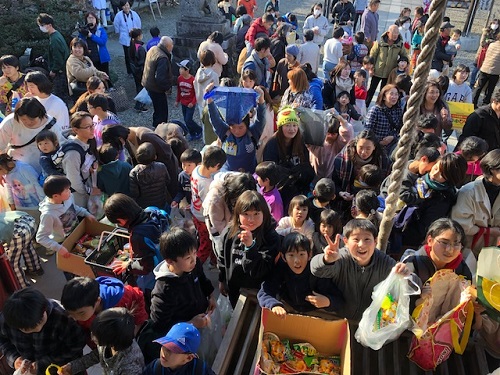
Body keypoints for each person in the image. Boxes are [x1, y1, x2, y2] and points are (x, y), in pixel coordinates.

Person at [310, 219, 413, 320]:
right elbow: (316, 269)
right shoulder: (340, 257)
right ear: (346, 241)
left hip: (371, 324)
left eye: (367, 239)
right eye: (356, 239)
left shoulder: (384, 262)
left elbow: (412, 284)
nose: (361, 245)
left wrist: (406, 274)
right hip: (341, 318)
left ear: (375, 241)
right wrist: (326, 259)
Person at [0, 287, 85, 375]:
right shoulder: (6, 321)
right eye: (28, 329)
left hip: (62, 369)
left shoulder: (63, 318)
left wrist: (42, 364)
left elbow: (76, 345)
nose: (38, 328)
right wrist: (14, 359)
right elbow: (3, 341)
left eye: (40, 321)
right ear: (16, 326)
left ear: (44, 308)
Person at [150, 228, 215, 339]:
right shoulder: (164, 290)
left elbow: (202, 279)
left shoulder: (193, 265)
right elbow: (159, 325)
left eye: (194, 253)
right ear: (170, 261)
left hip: (203, 318)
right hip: (184, 335)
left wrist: (211, 296)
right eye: (188, 258)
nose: (194, 260)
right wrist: (191, 324)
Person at [220, 190, 281, 307]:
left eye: (256, 214)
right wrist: (222, 279)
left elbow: (259, 271)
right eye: (246, 214)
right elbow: (223, 256)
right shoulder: (230, 231)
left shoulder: (271, 237)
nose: (251, 219)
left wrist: (250, 247)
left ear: (265, 213)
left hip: (258, 295)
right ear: (238, 215)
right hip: (234, 289)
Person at [258, 232, 343, 315]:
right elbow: (265, 292)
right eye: (291, 255)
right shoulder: (281, 269)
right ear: (283, 257)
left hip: (315, 314)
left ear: (309, 255)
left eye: (301, 254)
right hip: (287, 310)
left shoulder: (316, 271)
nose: (297, 261)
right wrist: (274, 305)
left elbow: (339, 300)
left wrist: (327, 301)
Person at [400, 153, 467, 249]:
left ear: (450, 178)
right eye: (436, 168)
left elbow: (424, 228)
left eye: (442, 175)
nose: (434, 174)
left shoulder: (442, 199)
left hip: (407, 240)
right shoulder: (423, 175)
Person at [61, 276, 147, 348]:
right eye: (71, 313)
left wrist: (138, 325)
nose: (76, 318)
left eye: (81, 313)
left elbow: (138, 296)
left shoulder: (121, 297)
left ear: (97, 301)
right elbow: (86, 332)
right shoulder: (82, 311)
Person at [104, 193, 162, 297]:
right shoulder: (151, 211)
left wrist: (128, 266)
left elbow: (146, 267)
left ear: (121, 220)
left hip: (155, 277)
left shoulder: (138, 236)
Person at [101, 125, 179, 198]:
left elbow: (167, 154)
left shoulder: (145, 136)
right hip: (152, 177)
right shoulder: (128, 140)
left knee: (172, 197)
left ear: (120, 138)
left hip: (166, 172)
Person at [60, 307, 144, 375]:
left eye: (96, 336)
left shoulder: (130, 366)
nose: (92, 338)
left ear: (111, 341)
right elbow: (97, 355)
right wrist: (73, 367)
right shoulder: (108, 341)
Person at [263, 107, 315, 208]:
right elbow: (269, 170)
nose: (292, 129)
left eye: (294, 125)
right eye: (287, 125)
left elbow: (306, 165)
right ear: (281, 127)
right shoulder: (272, 144)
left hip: (298, 186)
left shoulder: (300, 142)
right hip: (280, 188)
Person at [451, 149, 500, 257]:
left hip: (493, 252)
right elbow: (461, 225)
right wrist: (489, 231)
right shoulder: (469, 192)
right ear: (492, 169)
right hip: (467, 250)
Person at [208, 85, 265, 173]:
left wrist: (261, 99)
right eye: (233, 127)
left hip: (249, 174)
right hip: (227, 174)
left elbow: (261, 119)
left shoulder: (253, 133)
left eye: (241, 127)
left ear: (247, 125)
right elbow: (214, 119)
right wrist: (209, 98)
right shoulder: (225, 132)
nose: (236, 131)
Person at [332, 130, 391, 214]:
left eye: (368, 148)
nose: (364, 152)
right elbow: (335, 183)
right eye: (361, 147)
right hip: (346, 204)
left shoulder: (383, 161)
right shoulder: (342, 160)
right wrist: (341, 193)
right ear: (356, 145)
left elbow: (387, 184)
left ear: (374, 147)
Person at [402, 218, 472, 287]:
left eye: (456, 244)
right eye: (444, 242)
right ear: (430, 241)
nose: (449, 250)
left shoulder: (460, 268)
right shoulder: (413, 264)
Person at [0, 97, 63, 173]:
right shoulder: (10, 122)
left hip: (43, 170)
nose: (28, 122)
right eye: (23, 119)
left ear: (40, 114)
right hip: (16, 170)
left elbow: (61, 149)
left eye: (32, 119)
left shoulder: (52, 126)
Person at [36, 175, 95, 256]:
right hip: (63, 241)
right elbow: (41, 237)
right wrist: (58, 248)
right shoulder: (48, 214)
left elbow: (74, 209)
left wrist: (86, 213)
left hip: (77, 232)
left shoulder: (69, 197)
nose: (70, 192)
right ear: (56, 196)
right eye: (66, 190)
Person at [190, 146, 226, 265]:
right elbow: (210, 205)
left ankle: (214, 261)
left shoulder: (196, 170)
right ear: (216, 166)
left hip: (195, 212)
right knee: (205, 246)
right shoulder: (207, 184)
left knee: (207, 240)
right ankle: (196, 267)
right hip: (203, 218)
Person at [60, 111, 100, 208]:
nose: (92, 129)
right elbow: (73, 180)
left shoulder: (89, 141)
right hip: (78, 194)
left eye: (93, 125)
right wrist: (89, 191)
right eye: (87, 127)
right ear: (75, 130)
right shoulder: (72, 154)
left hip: (87, 185)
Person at [142, 323, 215, 375]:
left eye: (172, 349)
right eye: (164, 345)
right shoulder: (155, 368)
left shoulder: (200, 370)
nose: (164, 352)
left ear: (188, 358)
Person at [366, 24, 408, 106]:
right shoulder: (380, 42)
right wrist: (371, 68)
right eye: (393, 34)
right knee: (371, 89)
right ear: (388, 33)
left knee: (384, 91)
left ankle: (379, 106)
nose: (395, 36)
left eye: (397, 34)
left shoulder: (399, 45)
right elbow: (372, 55)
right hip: (377, 70)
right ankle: (366, 105)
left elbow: (405, 56)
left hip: (389, 73)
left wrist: (406, 66)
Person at [0, 211, 43, 288]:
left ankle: (22, 286)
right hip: (28, 221)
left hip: (17, 234)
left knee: (13, 263)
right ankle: (36, 268)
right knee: (27, 246)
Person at [36, 13, 70, 101]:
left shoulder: (55, 39)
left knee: (59, 95)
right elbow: (52, 52)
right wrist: (44, 57)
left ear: (50, 25)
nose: (41, 27)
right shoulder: (55, 35)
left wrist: (54, 70)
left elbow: (58, 58)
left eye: (42, 25)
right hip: (62, 69)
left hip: (60, 71)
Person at [308, 114, 353, 179]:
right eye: (328, 133)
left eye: (333, 134)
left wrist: (341, 119)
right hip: (313, 176)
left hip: (330, 177)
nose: (330, 136)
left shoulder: (338, 144)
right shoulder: (316, 142)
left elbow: (347, 133)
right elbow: (307, 131)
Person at [142, 36, 174, 127]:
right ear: (167, 46)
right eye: (171, 45)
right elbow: (160, 78)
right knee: (162, 112)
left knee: (157, 109)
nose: (172, 47)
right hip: (156, 89)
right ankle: (160, 130)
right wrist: (167, 87)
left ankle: (155, 125)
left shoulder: (153, 49)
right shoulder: (162, 58)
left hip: (149, 84)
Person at [129, 142, 171, 209]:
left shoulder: (134, 173)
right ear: (155, 156)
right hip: (161, 202)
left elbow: (134, 193)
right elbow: (167, 181)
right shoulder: (161, 167)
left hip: (145, 206)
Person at [458, 87, 500, 152]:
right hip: (477, 156)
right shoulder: (478, 116)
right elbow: (466, 140)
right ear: (494, 101)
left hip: (494, 157)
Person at [364, 84, 403, 153]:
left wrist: (393, 137)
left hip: (392, 144)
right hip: (375, 145)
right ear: (384, 97)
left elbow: (400, 128)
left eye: (396, 94)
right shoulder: (375, 110)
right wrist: (379, 142)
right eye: (391, 94)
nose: (394, 97)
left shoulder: (398, 110)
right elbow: (367, 130)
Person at [78, 11, 111, 78]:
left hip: (101, 57)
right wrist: (82, 33)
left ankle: (109, 87)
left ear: (96, 20)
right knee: (94, 77)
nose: (91, 20)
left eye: (93, 18)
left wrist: (91, 36)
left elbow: (102, 42)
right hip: (89, 58)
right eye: (89, 18)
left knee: (104, 74)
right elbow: (80, 43)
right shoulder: (84, 31)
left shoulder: (100, 30)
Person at [175, 60, 202, 141]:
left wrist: (193, 102)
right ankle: (192, 133)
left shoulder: (193, 80)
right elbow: (179, 90)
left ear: (187, 70)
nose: (180, 70)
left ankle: (199, 129)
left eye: (182, 68)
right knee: (186, 120)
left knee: (188, 119)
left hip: (190, 103)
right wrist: (177, 100)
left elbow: (196, 93)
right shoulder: (179, 79)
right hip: (183, 102)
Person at [113, 1, 141, 75]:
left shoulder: (134, 14)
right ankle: (129, 71)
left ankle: (137, 68)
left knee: (136, 53)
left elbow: (138, 23)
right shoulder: (119, 15)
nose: (126, 7)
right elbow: (116, 25)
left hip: (134, 37)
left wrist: (137, 32)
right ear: (122, 7)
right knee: (127, 55)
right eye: (124, 6)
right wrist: (120, 33)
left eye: (127, 5)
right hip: (125, 37)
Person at [470, 19, 499, 87]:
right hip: (481, 53)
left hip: (490, 55)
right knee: (475, 69)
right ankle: (471, 83)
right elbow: (482, 43)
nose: (495, 25)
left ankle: (477, 84)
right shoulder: (486, 32)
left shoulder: (498, 34)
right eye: (494, 23)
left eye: (497, 24)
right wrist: (490, 41)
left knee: (482, 72)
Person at [472, 37, 500, 108]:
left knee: (479, 87)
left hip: (484, 68)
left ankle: (473, 103)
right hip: (495, 72)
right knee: (490, 89)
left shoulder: (492, 44)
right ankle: (485, 104)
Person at [194, 50, 219, 117]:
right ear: (212, 60)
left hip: (200, 101)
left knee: (203, 122)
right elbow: (216, 91)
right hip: (210, 103)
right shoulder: (214, 75)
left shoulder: (198, 72)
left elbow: (194, 83)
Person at [129, 28, 147, 112]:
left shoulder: (131, 45)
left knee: (138, 87)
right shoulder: (140, 49)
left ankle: (139, 104)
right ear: (139, 36)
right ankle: (139, 105)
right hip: (140, 70)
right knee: (142, 88)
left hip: (134, 70)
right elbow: (143, 62)